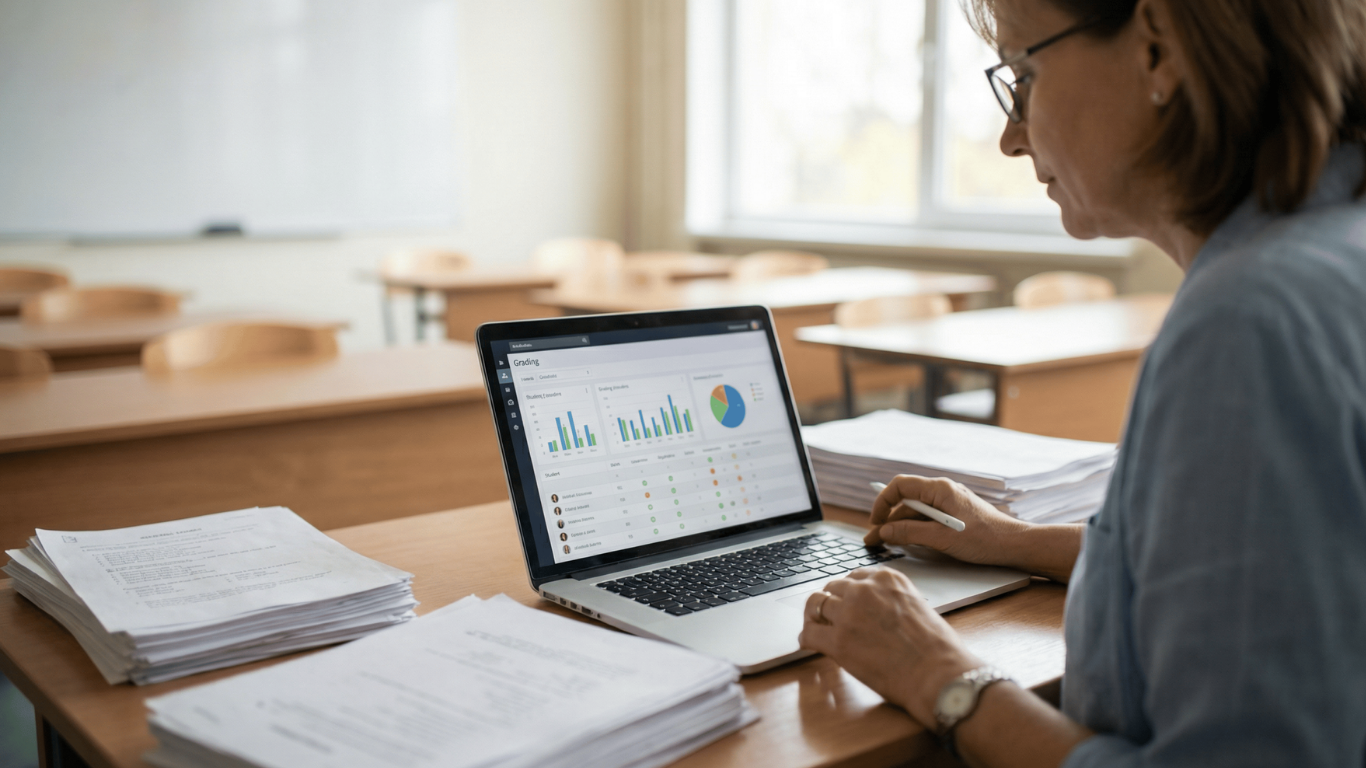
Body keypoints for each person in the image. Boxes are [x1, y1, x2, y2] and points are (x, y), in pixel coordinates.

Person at [798, 0, 1366, 765]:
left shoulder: (1250, 323)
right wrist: (1019, 541)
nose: (1008, 136)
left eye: (1023, 73)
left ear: (1158, 49)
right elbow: (1276, 576)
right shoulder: (1332, 251)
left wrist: (937, 673)